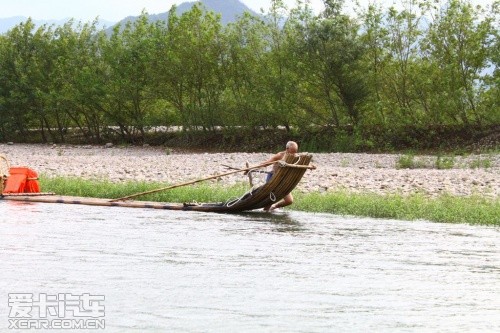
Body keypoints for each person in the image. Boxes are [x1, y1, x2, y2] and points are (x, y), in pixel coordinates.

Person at [263, 141, 299, 212]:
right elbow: (266, 163)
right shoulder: (280, 155)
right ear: (287, 149)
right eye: (292, 152)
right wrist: (252, 167)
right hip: (273, 178)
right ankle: (265, 212)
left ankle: (274, 207)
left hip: (283, 180)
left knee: (289, 201)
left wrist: (311, 165)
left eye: (295, 152)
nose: (293, 154)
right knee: (270, 199)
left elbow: (303, 161)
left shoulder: (295, 156)